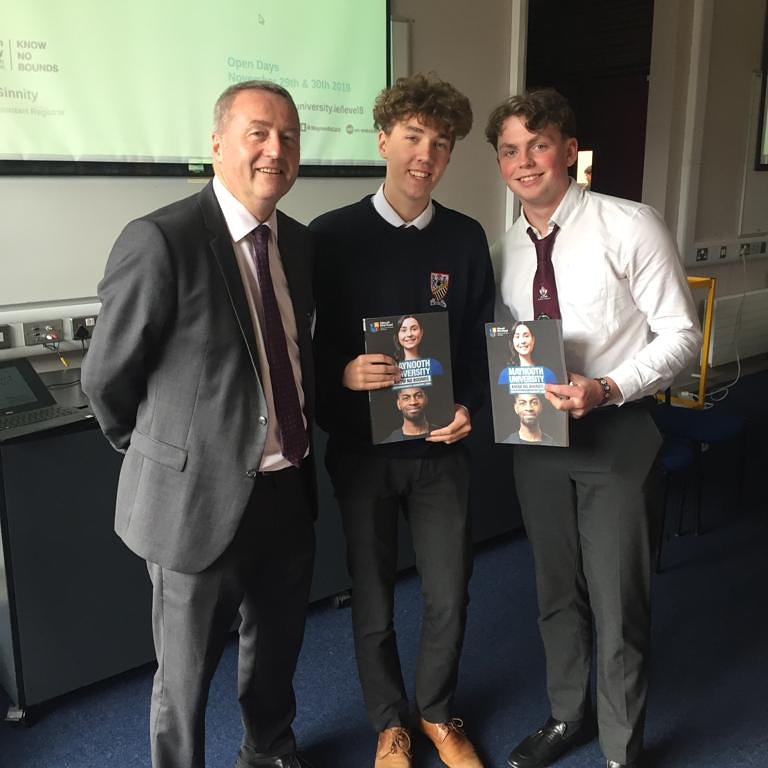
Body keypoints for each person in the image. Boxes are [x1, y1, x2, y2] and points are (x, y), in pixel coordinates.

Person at [82, 81, 317, 768]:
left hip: (285, 491)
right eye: (258, 132)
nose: (276, 149)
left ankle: (268, 750)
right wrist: (164, 452)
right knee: (182, 684)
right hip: (195, 505)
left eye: (289, 136)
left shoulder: (297, 245)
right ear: (217, 143)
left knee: (276, 653)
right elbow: (105, 377)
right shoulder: (161, 240)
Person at [485, 88, 701, 768]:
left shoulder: (630, 224)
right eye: (510, 151)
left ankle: (620, 748)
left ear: (568, 149)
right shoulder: (505, 249)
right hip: (538, 438)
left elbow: (681, 337)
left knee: (617, 599)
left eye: (538, 145)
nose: (525, 162)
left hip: (618, 431)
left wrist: (607, 386)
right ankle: (566, 715)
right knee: (556, 592)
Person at [312, 73, 494, 768]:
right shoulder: (330, 237)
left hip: (441, 456)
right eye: (413, 137)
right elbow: (306, 345)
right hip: (363, 453)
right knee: (373, 595)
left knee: (450, 592)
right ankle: (389, 722)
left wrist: (471, 407)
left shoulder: (467, 238)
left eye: (441, 144)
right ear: (383, 138)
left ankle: (438, 711)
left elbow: (480, 337)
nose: (426, 154)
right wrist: (342, 374)